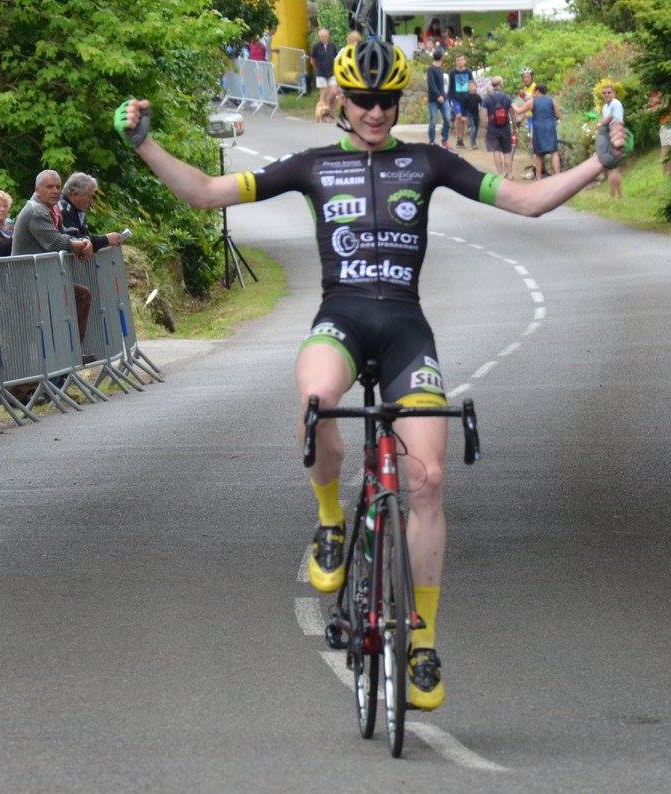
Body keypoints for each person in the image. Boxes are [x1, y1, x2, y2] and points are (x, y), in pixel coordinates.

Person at [112, 39, 625, 711]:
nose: (377, 112)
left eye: (387, 100)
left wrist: (598, 162)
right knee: (319, 397)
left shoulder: (429, 160)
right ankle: (330, 521)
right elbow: (207, 194)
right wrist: (144, 145)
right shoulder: (313, 167)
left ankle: (423, 644)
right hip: (343, 320)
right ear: (341, 102)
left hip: (408, 328)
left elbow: (526, 202)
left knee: (430, 480)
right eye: (364, 100)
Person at [11, 170, 94, 346]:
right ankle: (69, 354)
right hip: (29, 281)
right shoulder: (37, 211)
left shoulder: (50, 209)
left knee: (81, 296)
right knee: (80, 297)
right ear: (37, 189)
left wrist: (82, 241)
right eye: (49, 187)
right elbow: (56, 242)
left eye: (57, 187)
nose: (55, 191)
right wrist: (79, 245)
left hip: (42, 279)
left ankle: (70, 353)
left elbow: (64, 234)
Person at [58, 172, 124, 255]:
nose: (91, 201)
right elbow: (76, 240)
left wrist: (105, 241)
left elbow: (85, 237)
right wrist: (106, 239)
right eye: (90, 196)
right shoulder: (62, 208)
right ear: (74, 194)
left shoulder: (77, 212)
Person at [483, 76, 515, 178]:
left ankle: (500, 174)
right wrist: (514, 127)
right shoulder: (507, 97)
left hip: (492, 128)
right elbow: (512, 114)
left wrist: (485, 128)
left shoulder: (487, 98)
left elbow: (483, 115)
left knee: (496, 151)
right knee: (507, 152)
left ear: (492, 85)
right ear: (500, 84)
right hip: (505, 127)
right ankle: (509, 174)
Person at [529, 84, 562, 179]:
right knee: (554, 152)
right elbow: (559, 115)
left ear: (537, 91)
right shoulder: (552, 100)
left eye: (534, 91)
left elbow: (522, 112)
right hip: (550, 128)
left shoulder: (533, 102)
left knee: (539, 154)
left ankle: (538, 178)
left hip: (538, 129)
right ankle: (558, 176)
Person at [601, 84, 624, 198]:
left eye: (609, 92)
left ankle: (612, 195)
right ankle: (620, 195)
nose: (607, 95)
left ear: (613, 93)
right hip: (608, 137)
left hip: (615, 136)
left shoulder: (616, 104)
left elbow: (618, 122)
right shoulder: (605, 107)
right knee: (613, 168)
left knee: (612, 167)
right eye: (604, 93)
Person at [426, 49, 451, 148]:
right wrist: (438, 96)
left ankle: (444, 140)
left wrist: (444, 96)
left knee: (448, 120)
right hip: (433, 100)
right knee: (433, 121)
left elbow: (443, 85)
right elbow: (431, 85)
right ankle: (431, 142)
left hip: (444, 99)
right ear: (441, 57)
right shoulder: (430, 69)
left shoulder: (441, 69)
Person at [310, 28, 338, 113]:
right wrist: (317, 68)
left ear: (328, 36)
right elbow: (312, 60)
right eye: (321, 36)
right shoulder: (316, 46)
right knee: (324, 92)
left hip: (331, 72)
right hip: (321, 72)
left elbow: (335, 58)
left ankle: (329, 108)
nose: (323, 37)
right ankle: (322, 112)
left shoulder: (332, 46)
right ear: (319, 37)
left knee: (333, 91)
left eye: (325, 36)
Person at [448, 55, 473, 148]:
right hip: (456, 99)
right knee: (458, 117)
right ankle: (459, 138)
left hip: (466, 100)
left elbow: (472, 85)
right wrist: (449, 99)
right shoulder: (452, 73)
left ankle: (460, 140)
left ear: (465, 61)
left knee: (462, 120)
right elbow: (450, 87)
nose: (460, 61)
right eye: (458, 60)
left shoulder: (469, 72)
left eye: (461, 60)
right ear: (456, 62)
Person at [462, 80, 482, 150]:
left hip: (476, 114)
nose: (472, 87)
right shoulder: (466, 96)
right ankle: (472, 143)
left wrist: (482, 112)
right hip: (469, 114)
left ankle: (474, 142)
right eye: (470, 86)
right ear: (468, 87)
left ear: (476, 87)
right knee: (473, 128)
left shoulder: (478, 97)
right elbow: (463, 107)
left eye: (473, 86)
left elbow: (481, 105)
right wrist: (463, 115)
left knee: (476, 129)